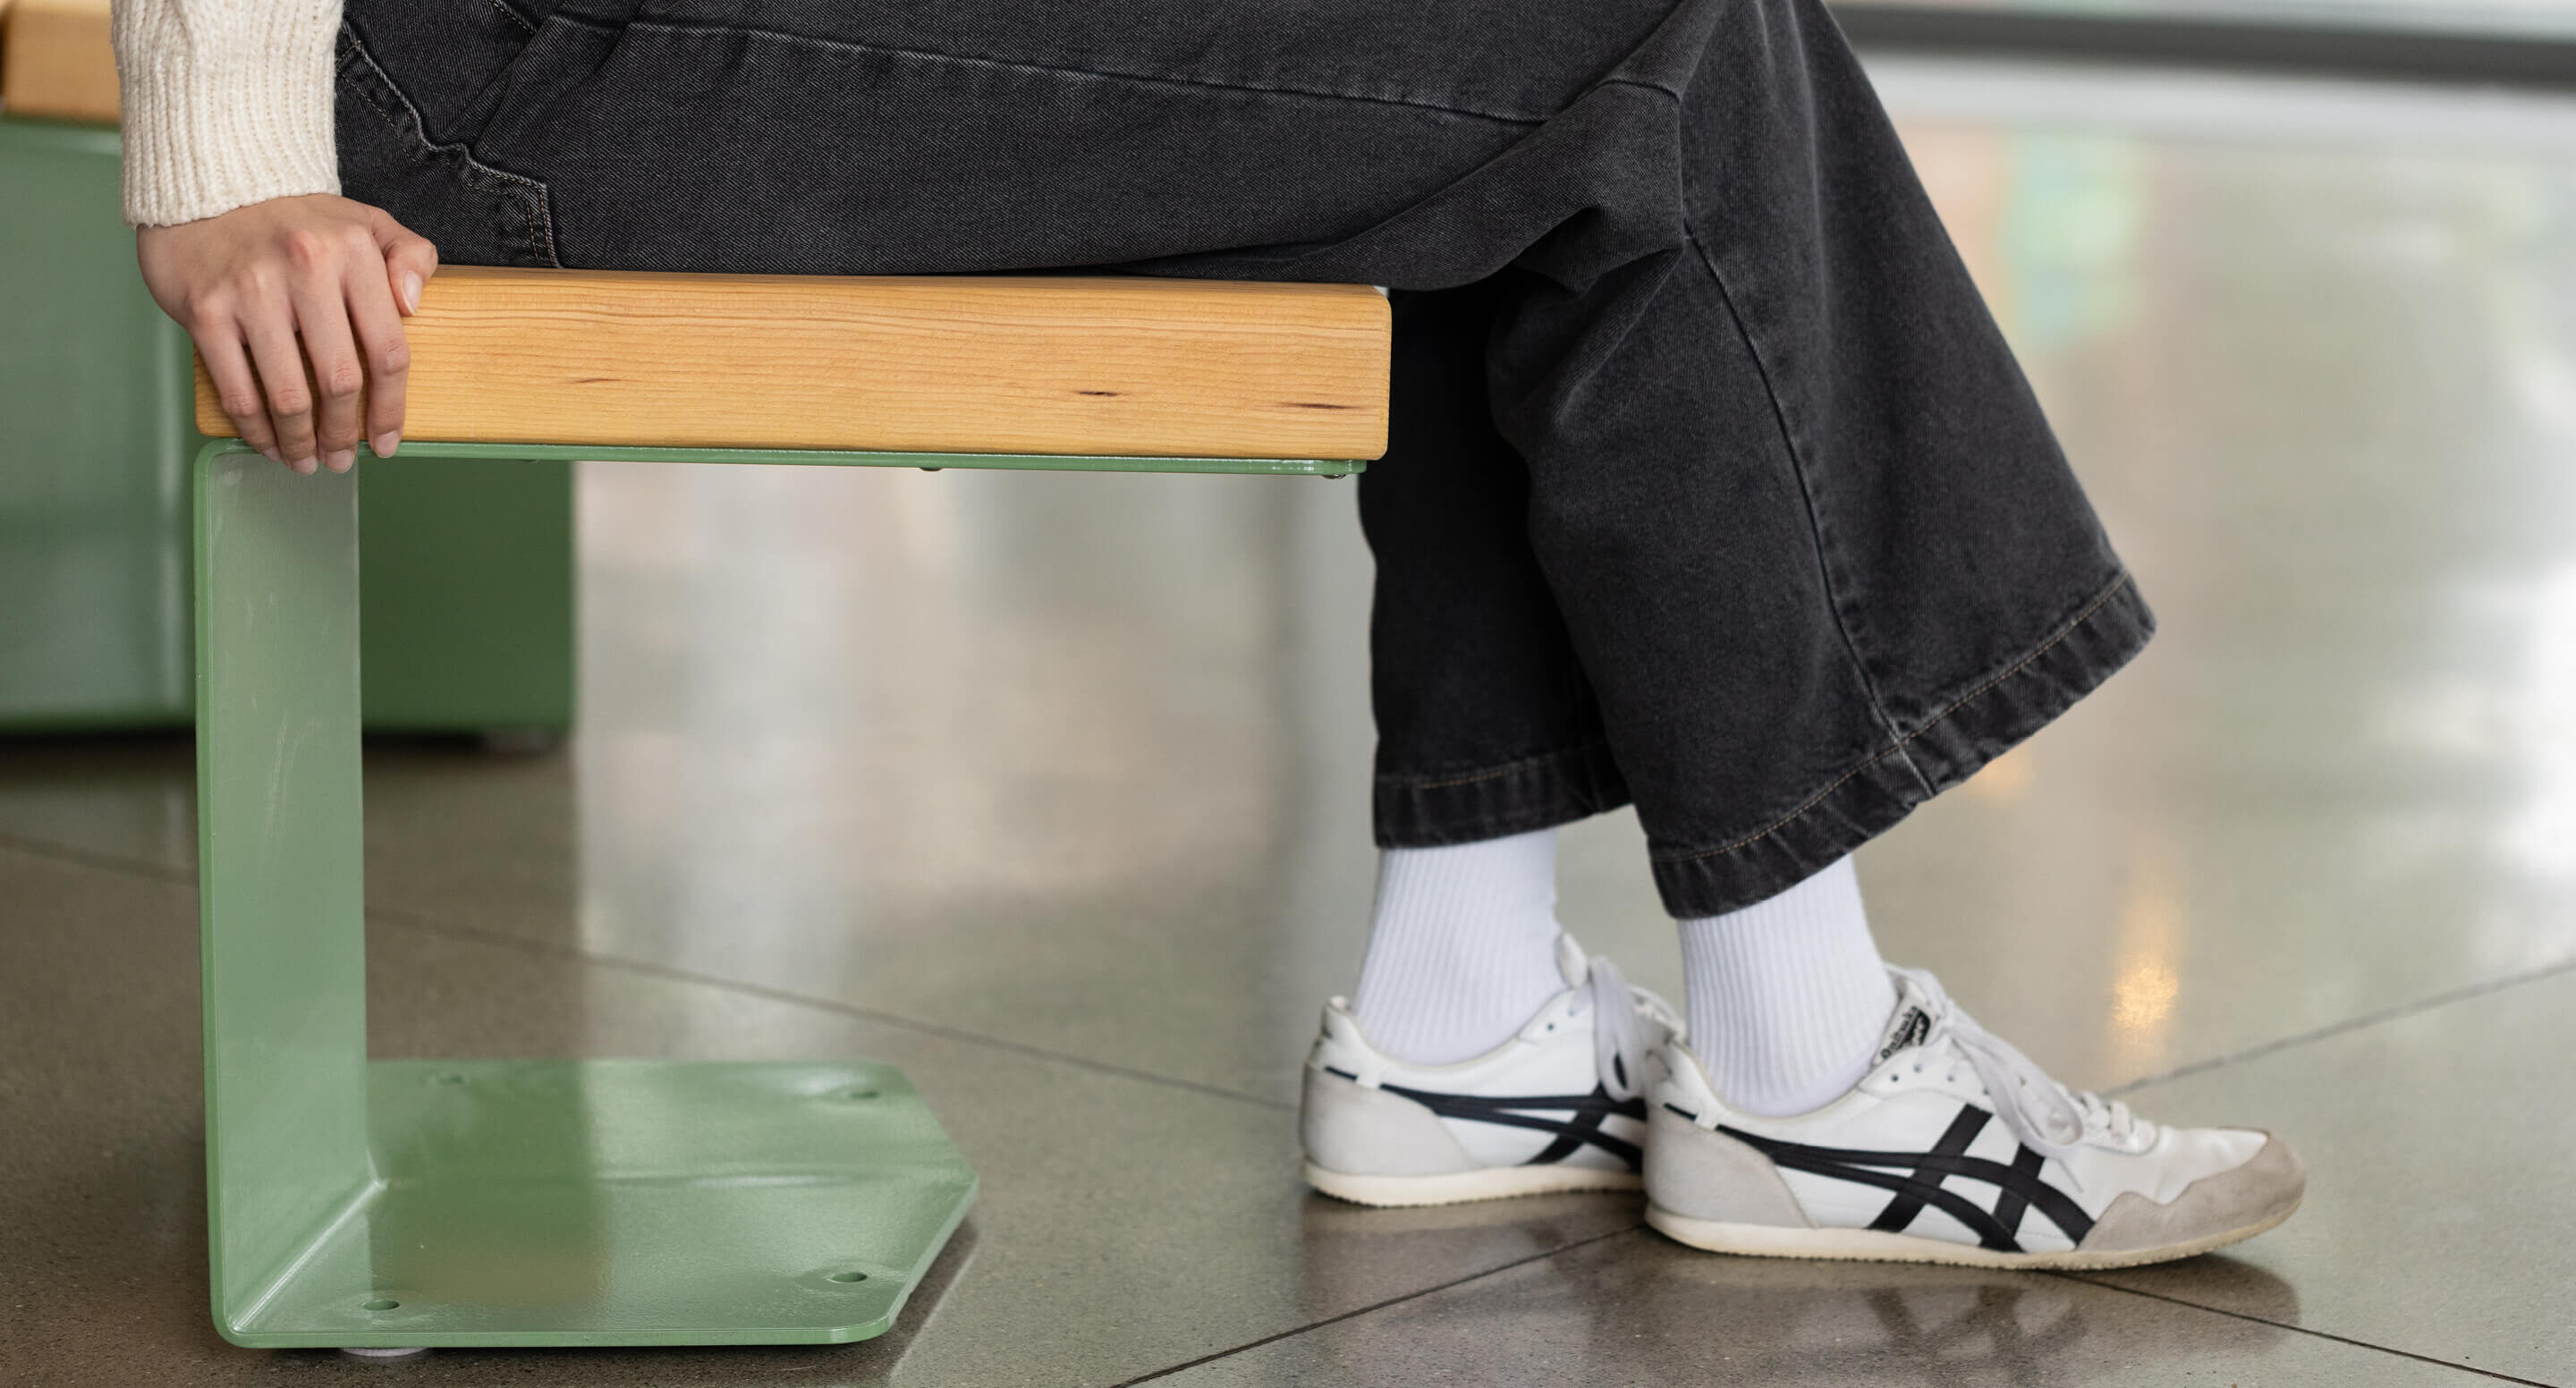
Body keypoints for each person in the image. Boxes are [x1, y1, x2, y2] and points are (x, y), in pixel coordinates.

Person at [114, 0, 2301, 1267]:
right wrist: (217, 141)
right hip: (492, 58)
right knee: (1649, 30)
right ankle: (1807, 1062)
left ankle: (1470, 1022)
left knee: (1492, 62)